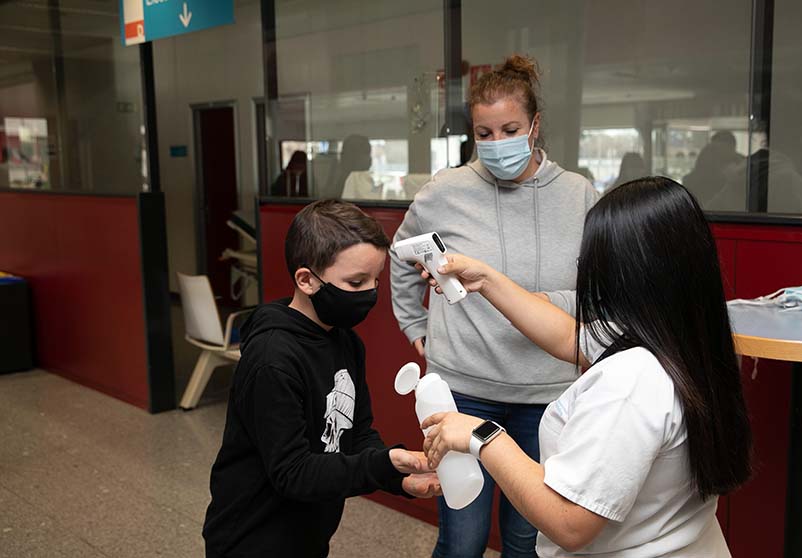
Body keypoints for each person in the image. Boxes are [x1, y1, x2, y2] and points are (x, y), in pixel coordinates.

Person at [421, 177, 753, 557]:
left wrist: (482, 436)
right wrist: (488, 279)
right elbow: (571, 338)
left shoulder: (630, 380)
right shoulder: (688, 339)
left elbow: (569, 521)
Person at [390, 54, 598, 558]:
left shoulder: (579, 195)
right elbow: (402, 258)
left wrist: (540, 301)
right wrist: (416, 325)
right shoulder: (445, 192)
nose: (497, 142)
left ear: (535, 126)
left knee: (528, 541)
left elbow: (601, 286)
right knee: (462, 540)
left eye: (510, 128)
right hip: (463, 388)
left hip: (546, 393)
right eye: (485, 133)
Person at [203, 200, 440, 558]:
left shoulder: (345, 340)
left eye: (375, 280)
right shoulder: (272, 359)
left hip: (308, 532)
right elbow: (292, 472)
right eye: (356, 282)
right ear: (306, 280)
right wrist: (383, 464)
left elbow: (357, 433)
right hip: (251, 539)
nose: (370, 293)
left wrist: (399, 477)